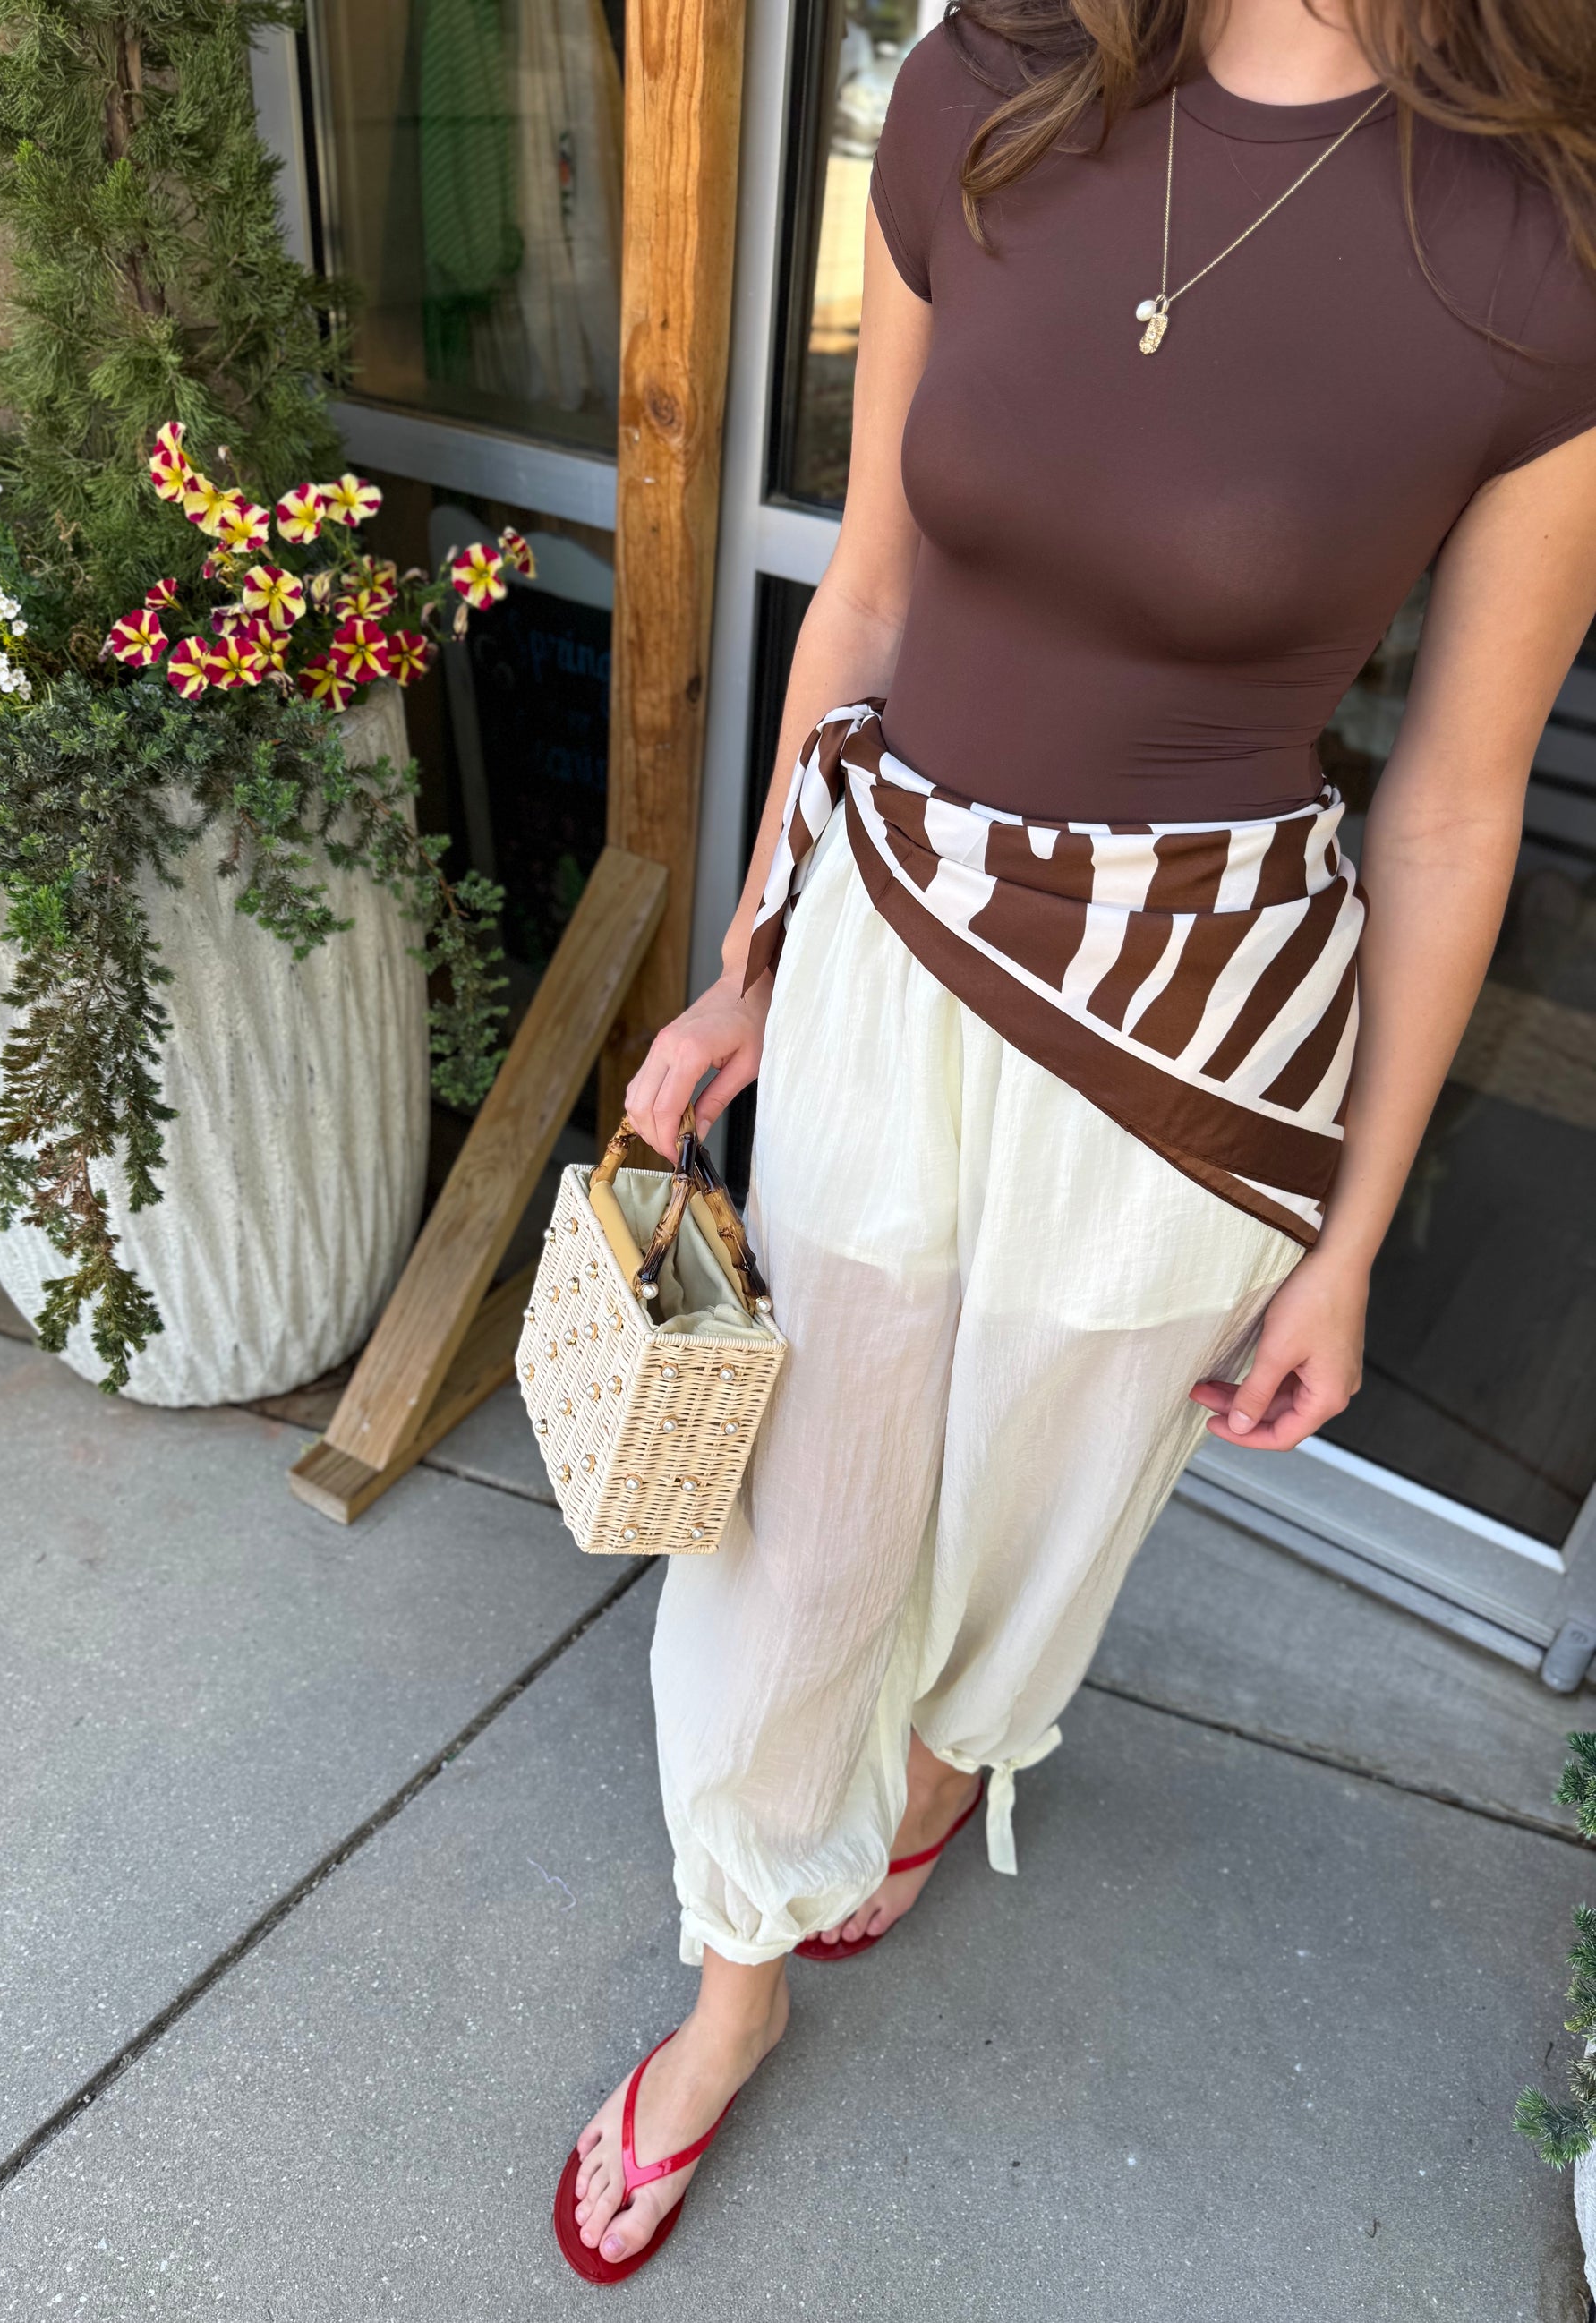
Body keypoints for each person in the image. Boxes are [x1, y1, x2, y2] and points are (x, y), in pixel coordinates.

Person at [555, 0, 1596, 2281]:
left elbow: (1450, 804)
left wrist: (1347, 1237)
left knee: (1039, 1512)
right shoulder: (986, 88)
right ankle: (733, 1983)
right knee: (795, 1526)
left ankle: (944, 1767)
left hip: (1188, 1049)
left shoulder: (1545, 249)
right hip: (891, 950)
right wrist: (753, 953)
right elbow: (867, 589)